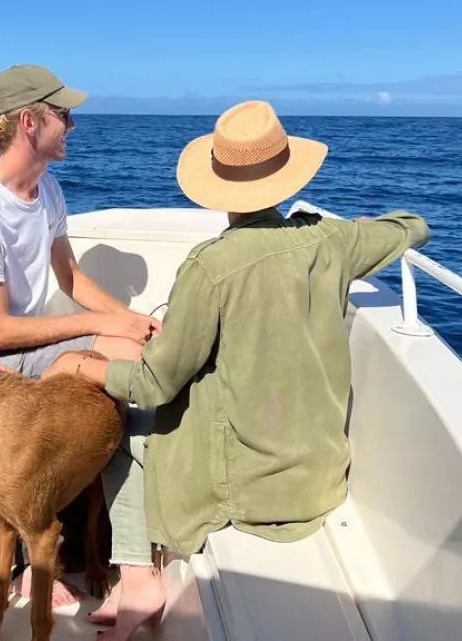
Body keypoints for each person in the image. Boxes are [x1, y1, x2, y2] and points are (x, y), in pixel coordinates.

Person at [45, 99, 431, 640]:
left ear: (218, 183)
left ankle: (138, 581)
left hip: (247, 492)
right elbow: (412, 225)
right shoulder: (332, 239)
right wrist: (357, 226)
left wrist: (82, 365)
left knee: (124, 422)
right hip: (316, 480)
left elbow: (156, 383)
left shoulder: (211, 266)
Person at [0, 64, 164, 621]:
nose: (72, 125)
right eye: (63, 114)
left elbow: (70, 278)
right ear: (28, 121)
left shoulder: (47, 188)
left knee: (142, 352)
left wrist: (131, 318)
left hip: (31, 342)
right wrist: (102, 331)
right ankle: (130, 565)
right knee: (123, 360)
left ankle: (121, 547)